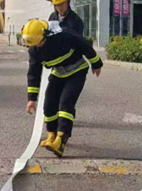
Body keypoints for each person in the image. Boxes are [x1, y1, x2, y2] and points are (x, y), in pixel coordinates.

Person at [23, 19, 103, 158]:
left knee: (66, 103)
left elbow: (84, 44)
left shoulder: (64, 35)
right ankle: (52, 135)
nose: (37, 46)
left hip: (77, 71)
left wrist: (96, 64)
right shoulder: (34, 50)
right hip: (59, 73)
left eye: (39, 42)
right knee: (49, 104)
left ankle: (61, 140)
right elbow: (34, 73)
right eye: (34, 44)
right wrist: (31, 99)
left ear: (45, 35)